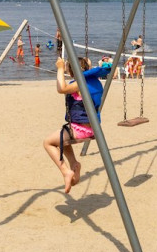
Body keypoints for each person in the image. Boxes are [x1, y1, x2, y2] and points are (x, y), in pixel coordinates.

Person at [43, 57, 110, 194]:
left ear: (71, 71)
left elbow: (62, 88)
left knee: (48, 143)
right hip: (92, 128)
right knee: (63, 139)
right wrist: (88, 64)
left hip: (81, 130)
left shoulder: (79, 83)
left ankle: (66, 172)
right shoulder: (94, 81)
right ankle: (74, 164)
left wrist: (60, 68)